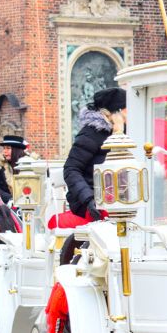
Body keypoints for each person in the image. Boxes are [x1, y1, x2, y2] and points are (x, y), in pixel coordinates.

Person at [58, 87, 125, 229]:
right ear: (116, 112)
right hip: (90, 202)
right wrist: (89, 199)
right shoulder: (91, 133)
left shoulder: (125, 132)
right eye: (126, 108)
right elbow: (71, 169)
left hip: (117, 199)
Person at [0, 135, 28, 204]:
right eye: (4, 148)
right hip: (6, 206)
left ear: (16, 150)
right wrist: (11, 198)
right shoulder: (0, 166)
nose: (5, 151)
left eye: (8, 148)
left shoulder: (28, 166)